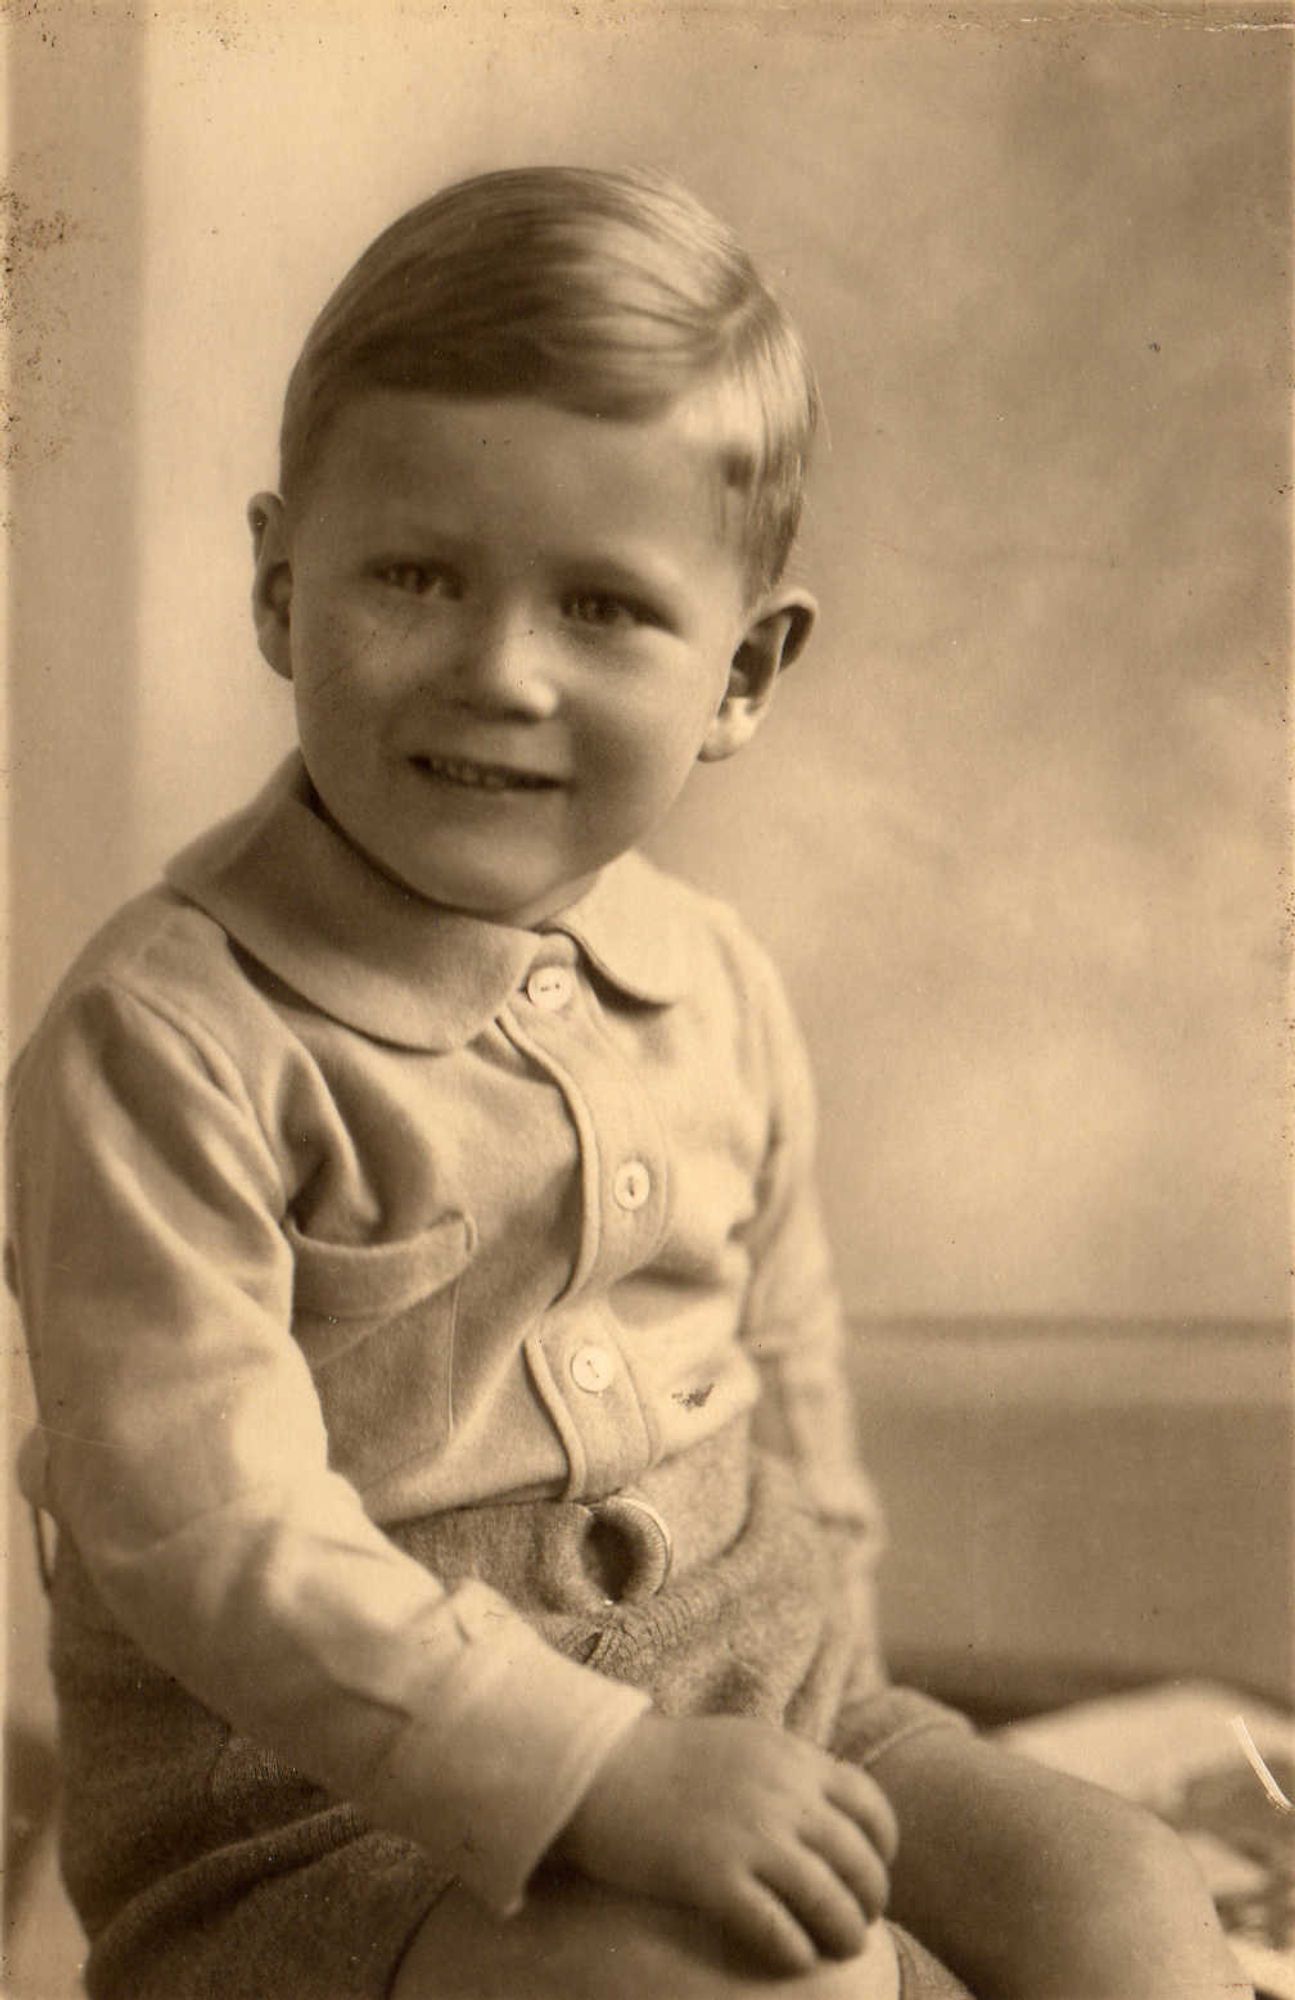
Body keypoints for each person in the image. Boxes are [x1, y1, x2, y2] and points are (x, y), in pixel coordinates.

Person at [7, 166, 1249, 2000]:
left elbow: (792, 1373)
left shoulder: (715, 985)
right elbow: (208, 1536)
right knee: (753, 1989)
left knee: (1125, 1901)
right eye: (415, 575)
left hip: (759, 1692)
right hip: (319, 1814)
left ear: (745, 672)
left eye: (601, 608)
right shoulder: (167, 1041)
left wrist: (830, 1722)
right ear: (282, 588)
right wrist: (599, 1774)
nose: (499, 672)